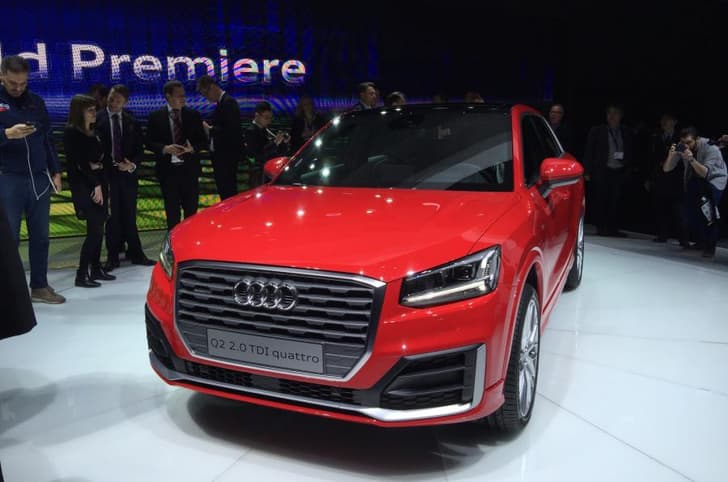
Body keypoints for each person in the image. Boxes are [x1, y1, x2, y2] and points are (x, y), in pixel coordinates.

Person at [0, 55, 65, 304]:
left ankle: (39, 286)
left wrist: (55, 170)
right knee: (9, 239)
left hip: (38, 177)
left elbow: (47, 138)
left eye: (23, 83)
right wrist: (6, 134)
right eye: (13, 83)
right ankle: (9, 293)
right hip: (8, 178)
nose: (18, 88)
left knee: (41, 236)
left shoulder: (36, 101)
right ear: (2, 76)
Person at [95, 84, 155, 271]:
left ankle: (136, 253)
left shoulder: (131, 120)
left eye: (118, 101)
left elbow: (139, 149)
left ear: (125, 102)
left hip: (127, 175)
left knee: (129, 215)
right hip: (106, 175)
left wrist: (132, 165)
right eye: (111, 98)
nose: (113, 103)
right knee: (112, 217)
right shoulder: (97, 118)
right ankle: (112, 257)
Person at [64, 94, 115, 287]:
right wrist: (95, 182)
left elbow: (101, 159)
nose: (95, 113)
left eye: (95, 109)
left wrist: (97, 170)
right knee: (94, 231)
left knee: (99, 229)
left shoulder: (96, 132)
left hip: (99, 181)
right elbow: (78, 163)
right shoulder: (72, 133)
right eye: (90, 110)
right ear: (80, 112)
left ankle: (96, 268)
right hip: (85, 185)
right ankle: (81, 274)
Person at [146, 80, 207, 229]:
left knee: (191, 212)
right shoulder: (156, 117)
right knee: (172, 212)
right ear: (168, 96)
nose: (183, 99)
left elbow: (203, 142)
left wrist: (192, 149)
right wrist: (165, 148)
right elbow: (148, 142)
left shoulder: (193, 115)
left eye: (184, 95)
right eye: (179, 96)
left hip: (189, 171)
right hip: (168, 172)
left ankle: (190, 240)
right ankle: (174, 241)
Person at [663, 127, 727, 257]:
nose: (686, 146)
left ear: (697, 139)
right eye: (683, 142)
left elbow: (705, 173)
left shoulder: (711, 148)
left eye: (689, 142)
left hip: (714, 180)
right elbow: (666, 169)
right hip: (695, 180)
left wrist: (691, 159)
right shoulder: (682, 147)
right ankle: (701, 241)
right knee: (690, 212)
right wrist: (671, 155)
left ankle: (710, 246)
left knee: (708, 211)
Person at [584, 104, 634, 237]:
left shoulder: (626, 131)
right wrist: (587, 171)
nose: (612, 116)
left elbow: (630, 151)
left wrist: (628, 169)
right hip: (602, 170)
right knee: (601, 199)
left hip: (618, 170)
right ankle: (601, 227)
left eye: (615, 113)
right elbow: (589, 150)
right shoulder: (597, 130)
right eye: (609, 113)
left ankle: (613, 228)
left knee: (615, 201)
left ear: (621, 116)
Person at [197, 75, 244, 200]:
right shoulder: (222, 103)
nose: (206, 98)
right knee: (224, 191)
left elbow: (231, 130)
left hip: (227, 157)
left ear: (212, 87)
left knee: (228, 192)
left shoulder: (228, 103)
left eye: (206, 94)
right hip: (222, 157)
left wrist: (210, 129)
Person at [647, 113, 686, 244]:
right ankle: (662, 234)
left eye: (667, 120)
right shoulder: (656, 136)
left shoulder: (680, 138)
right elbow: (651, 158)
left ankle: (683, 238)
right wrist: (650, 177)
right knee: (660, 207)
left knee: (678, 209)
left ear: (674, 122)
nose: (664, 123)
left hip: (675, 178)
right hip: (660, 177)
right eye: (662, 120)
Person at [246, 101, 290, 188]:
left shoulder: (266, 130)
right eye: (266, 117)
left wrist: (284, 143)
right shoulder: (250, 131)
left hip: (268, 173)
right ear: (257, 115)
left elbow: (277, 153)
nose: (269, 121)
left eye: (270, 118)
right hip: (259, 175)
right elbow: (257, 155)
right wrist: (275, 143)